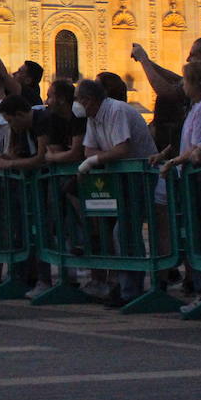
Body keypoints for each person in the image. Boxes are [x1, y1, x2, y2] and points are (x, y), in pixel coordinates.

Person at [74, 78, 158, 306]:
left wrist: (94, 160)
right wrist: (95, 158)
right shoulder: (94, 116)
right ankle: (126, 286)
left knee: (126, 231)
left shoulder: (116, 110)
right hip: (121, 179)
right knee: (121, 232)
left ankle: (132, 289)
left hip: (139, 177)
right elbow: (88, 149)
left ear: (88, 100)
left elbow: (122, 148)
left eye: (78, 100)